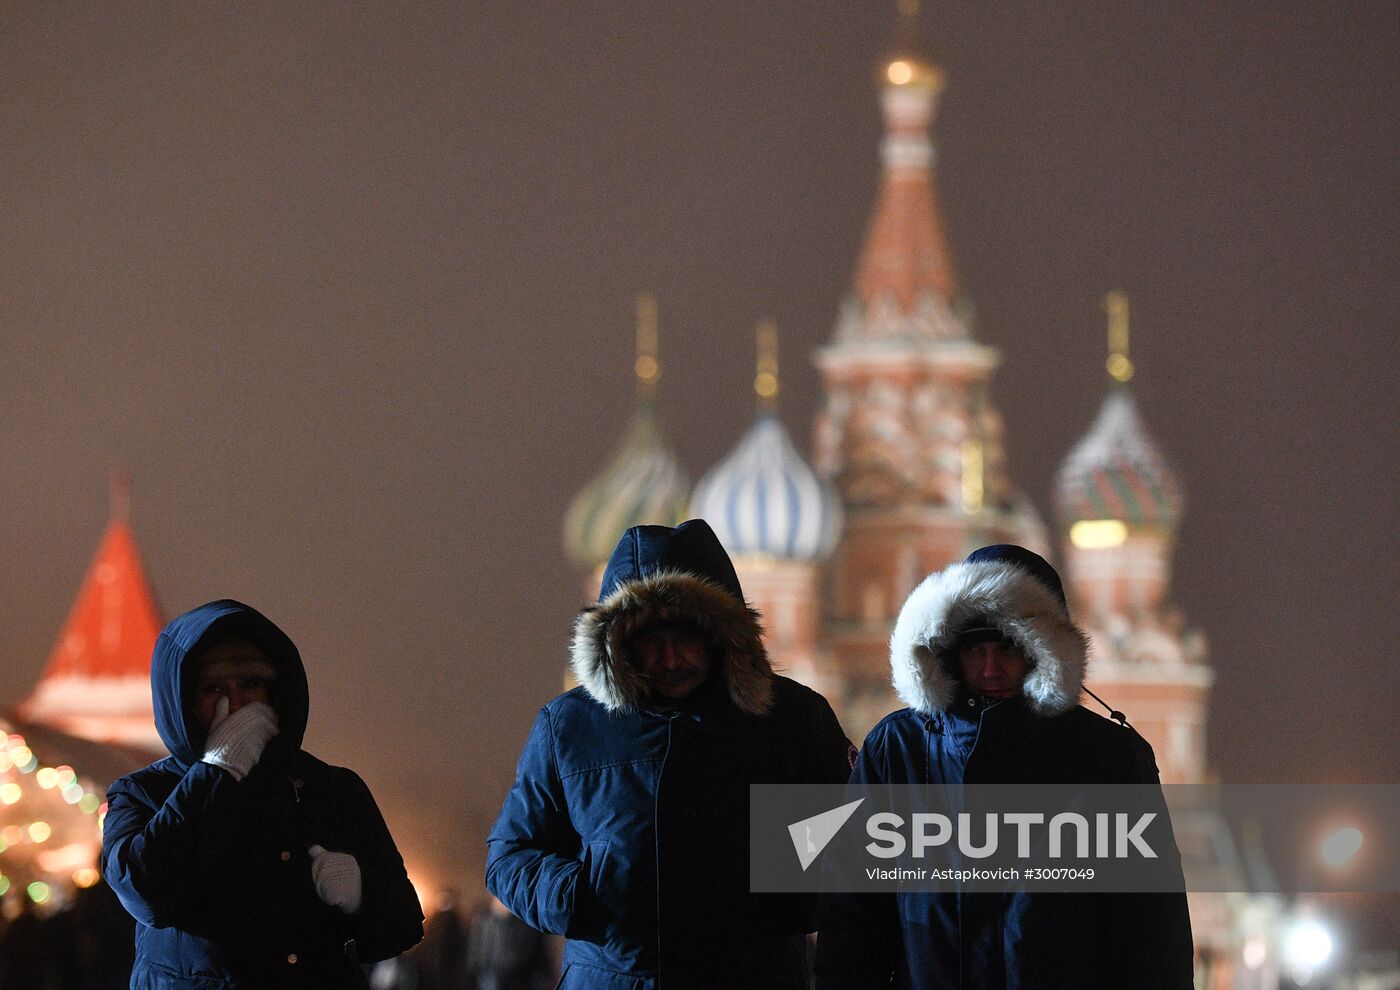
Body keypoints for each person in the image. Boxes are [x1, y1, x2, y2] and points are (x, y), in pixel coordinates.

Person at [486, 519, 852, 989]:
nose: (671, 658)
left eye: (687, 637)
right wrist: (574, 894)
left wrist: (791, 891)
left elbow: (853, 837)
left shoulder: (793, 718)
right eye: (651, 640)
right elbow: (510, 855)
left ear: (720, 636)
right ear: (618, 641)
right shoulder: (570, 726)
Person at [815, 544, 1194, 989]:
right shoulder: (899, 751)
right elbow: (853, 922)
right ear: (950, 649)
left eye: (1009, 647)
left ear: (1042, 651)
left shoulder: (1105, 759)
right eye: (976, 649)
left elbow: (1150, 928)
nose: (991, 668)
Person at [102, 599, 423, 988]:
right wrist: (218, 772)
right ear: (184, 698)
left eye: (250, 684)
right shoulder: (142, 792)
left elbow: (402, 928)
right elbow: (147, 895)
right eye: (214, 688)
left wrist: (360, 891)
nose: (236, 704)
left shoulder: (334, 789)